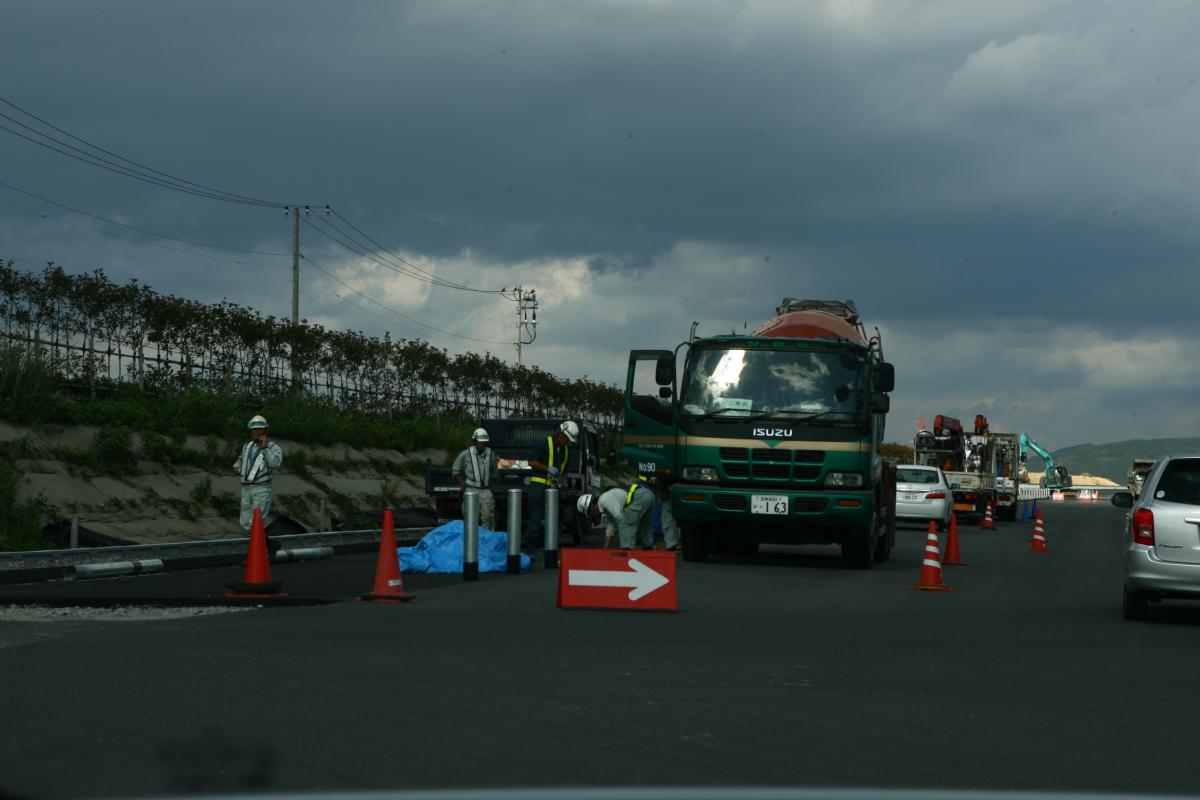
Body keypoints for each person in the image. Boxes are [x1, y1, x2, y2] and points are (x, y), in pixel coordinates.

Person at [526, 420, 578, 549]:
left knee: (554, 521)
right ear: (561, 434)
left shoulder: (566, 450)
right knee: (536, 520)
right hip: (538, 488)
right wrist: (547, 468)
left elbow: (564, 471)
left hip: (554, 489)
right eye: (567, 439)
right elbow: (531, 462)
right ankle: (530, 547)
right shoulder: (543, 443)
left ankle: (547, 547)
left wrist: (562, 480)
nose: (568, 442)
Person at [232, 415, 283, 534]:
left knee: (256, 521)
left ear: (265, 430)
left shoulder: (273, 447)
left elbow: (275, 463)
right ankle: (249, 545)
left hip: (262, 488)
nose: (257, 431)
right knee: (244, 521)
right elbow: (241, 459)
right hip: (246, 488)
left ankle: (257, 547)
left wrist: (265, 448)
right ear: (250, 430)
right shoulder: (247, 446)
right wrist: (236, 467)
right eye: (254, 429)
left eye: (260, 429)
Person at [577, 473, 656, 550]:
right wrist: (604, 553)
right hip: (648, 495)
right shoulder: (605, 508)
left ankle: (627, 552)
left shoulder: (603, 500)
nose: (592, 515)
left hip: (640, 497)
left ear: (591, 506)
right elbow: (610, 530)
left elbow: (620, 518)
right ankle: (648, 551)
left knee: (625, 524)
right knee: (644, 528)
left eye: (589, 513)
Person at [452, 427, 498, 530]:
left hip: (485, 490)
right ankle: (470, 540)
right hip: (471, 489)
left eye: (484, 443)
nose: (483, 445)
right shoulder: (466, 454)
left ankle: (486, 539)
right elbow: (456, 469)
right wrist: (462, 484)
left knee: (488, 516)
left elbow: (495, 471)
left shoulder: (491, 454)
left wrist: (493, 481)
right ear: (475, 441)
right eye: (480, 442)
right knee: (470, 516)